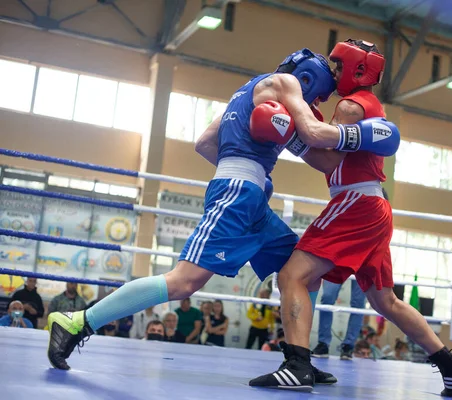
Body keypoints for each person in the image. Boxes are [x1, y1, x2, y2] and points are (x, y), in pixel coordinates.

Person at [46, 46, 396, 385]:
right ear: (306, 79)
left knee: (304, 273)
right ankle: (78, 322)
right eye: (318, 97)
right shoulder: (286, 85)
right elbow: (313, 132)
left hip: (251, 196)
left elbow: (204, 143)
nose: (316, 104)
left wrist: (253, 169)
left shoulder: (247, 96)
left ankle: (298, 360)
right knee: (184, 282)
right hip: (237, 193)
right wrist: (361, 134)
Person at [249, 39, 452, 397]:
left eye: (339, 66)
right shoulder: (367, 105)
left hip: (355, 202)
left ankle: (298, 366)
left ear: (359, 70)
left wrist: (289, 125)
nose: (334, 73)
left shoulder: (352, 107)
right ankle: (450, 365)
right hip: (375, 207)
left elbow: (327, 155)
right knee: (385, 301)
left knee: (292, 274)